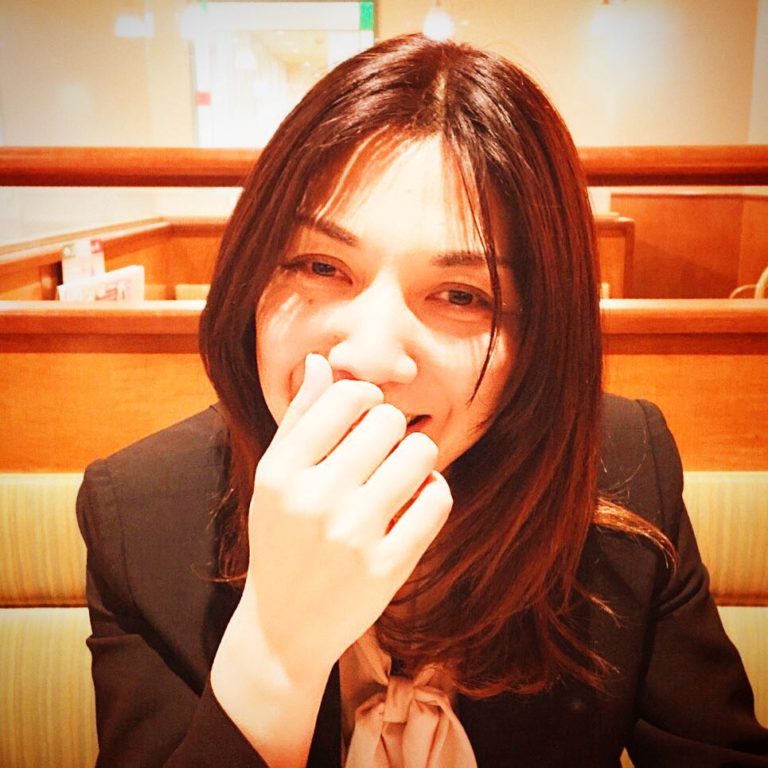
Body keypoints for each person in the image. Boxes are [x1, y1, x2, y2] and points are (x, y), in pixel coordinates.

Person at [76, 33, 768, 767]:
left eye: (461, 295)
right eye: (320, 265)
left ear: (541, 338)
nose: (369, 357)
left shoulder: (621, 471)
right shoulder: (140, 515)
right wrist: (276, 651)